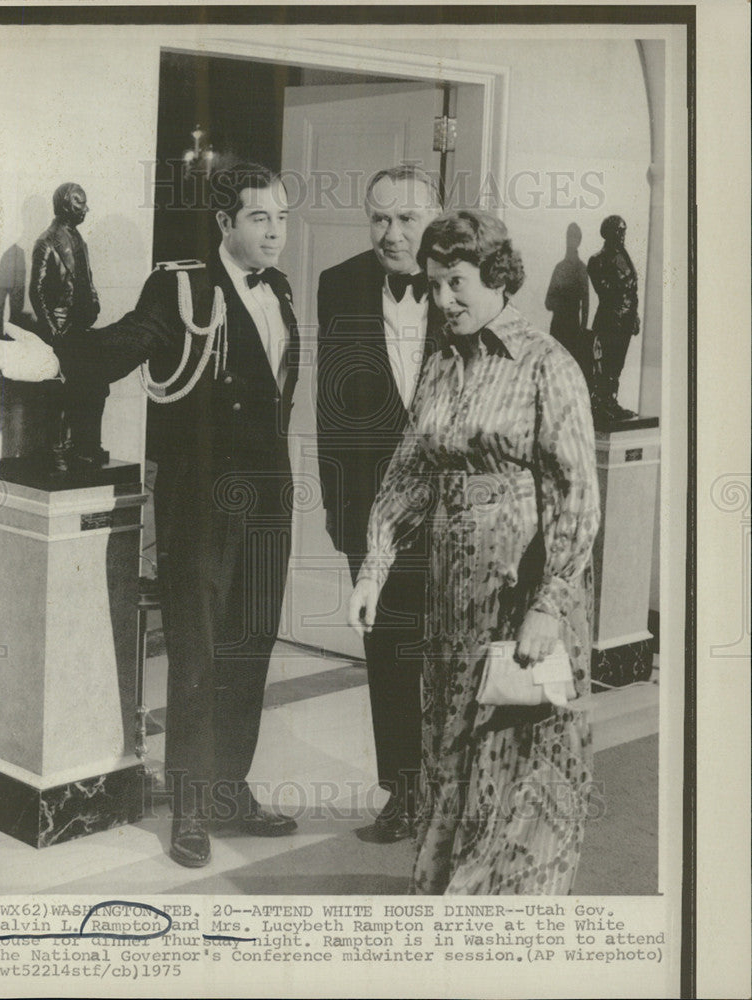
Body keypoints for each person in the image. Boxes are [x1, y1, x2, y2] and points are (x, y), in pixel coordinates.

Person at [54, 163, 300, 867]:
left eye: (281, 218)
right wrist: (61, 349)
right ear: (224, 224)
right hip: (200, 498)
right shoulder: (184, 285)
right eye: (259, 218)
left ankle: (229, 790)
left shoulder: (278, 288)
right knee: (195, 656)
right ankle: (189, 809)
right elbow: (129, 340)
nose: (274, 233)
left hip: (266, 500)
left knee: (249, 647)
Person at [349, 209, 600, 894]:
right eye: (432, 287)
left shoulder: (547, 365)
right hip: (451, 597)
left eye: (454, 283)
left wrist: (548, 603)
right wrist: (375, 563)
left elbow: (575, 493)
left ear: (495, 275)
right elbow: (408, 471)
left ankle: (500, 909)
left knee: (515, 751)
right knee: (450, 743)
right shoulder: (439, 366)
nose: (442, 301)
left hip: (522, 597)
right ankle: (446, 889)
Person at [317, 165, 442, 841]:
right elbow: (331, 415)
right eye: (378, 219)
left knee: (453, 657)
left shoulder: (469, 287)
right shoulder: (337, 285)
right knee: (389, 659)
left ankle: (458, 792)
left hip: (458, 519)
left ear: (435, 219)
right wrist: (345, 521)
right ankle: (402, 793)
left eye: (406, 219)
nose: (390, 234)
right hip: (374, 520)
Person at [29, 182, 104, 469]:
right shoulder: (47, 241)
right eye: (79, 203)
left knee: (94, 385)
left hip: (81, 327)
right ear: (64, 205)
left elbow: (88, 277)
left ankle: (84, 447)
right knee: (61, 391)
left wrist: (94, 304)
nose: (86, 209)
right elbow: (35, 291)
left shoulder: (79, 240)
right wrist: (53, 332)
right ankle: (57, 450)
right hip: (60, 330)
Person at [587, 214, 639, 422]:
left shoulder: (624, 255)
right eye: (619, 230)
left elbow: (632, 288)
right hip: (610, 319)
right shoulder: (598, 260)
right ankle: (600, 404)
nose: (622, 234)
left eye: (624, 230)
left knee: (618, 365)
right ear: (607, 233)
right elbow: (603, 290)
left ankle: (611, 401)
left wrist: (634, 315)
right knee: (604, 364)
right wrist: (621, 289)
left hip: (626, 319)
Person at [544, 222, 591, 381]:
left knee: (569, 375)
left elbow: (586, 303)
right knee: (554, 372)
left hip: (573, 331)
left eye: (574, 237)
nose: (570, 241)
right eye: (568, 237)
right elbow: (548, 302)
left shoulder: (581, 269)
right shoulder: (559, 268)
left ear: (579, 241)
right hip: (558, 328)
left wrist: (582, 332)